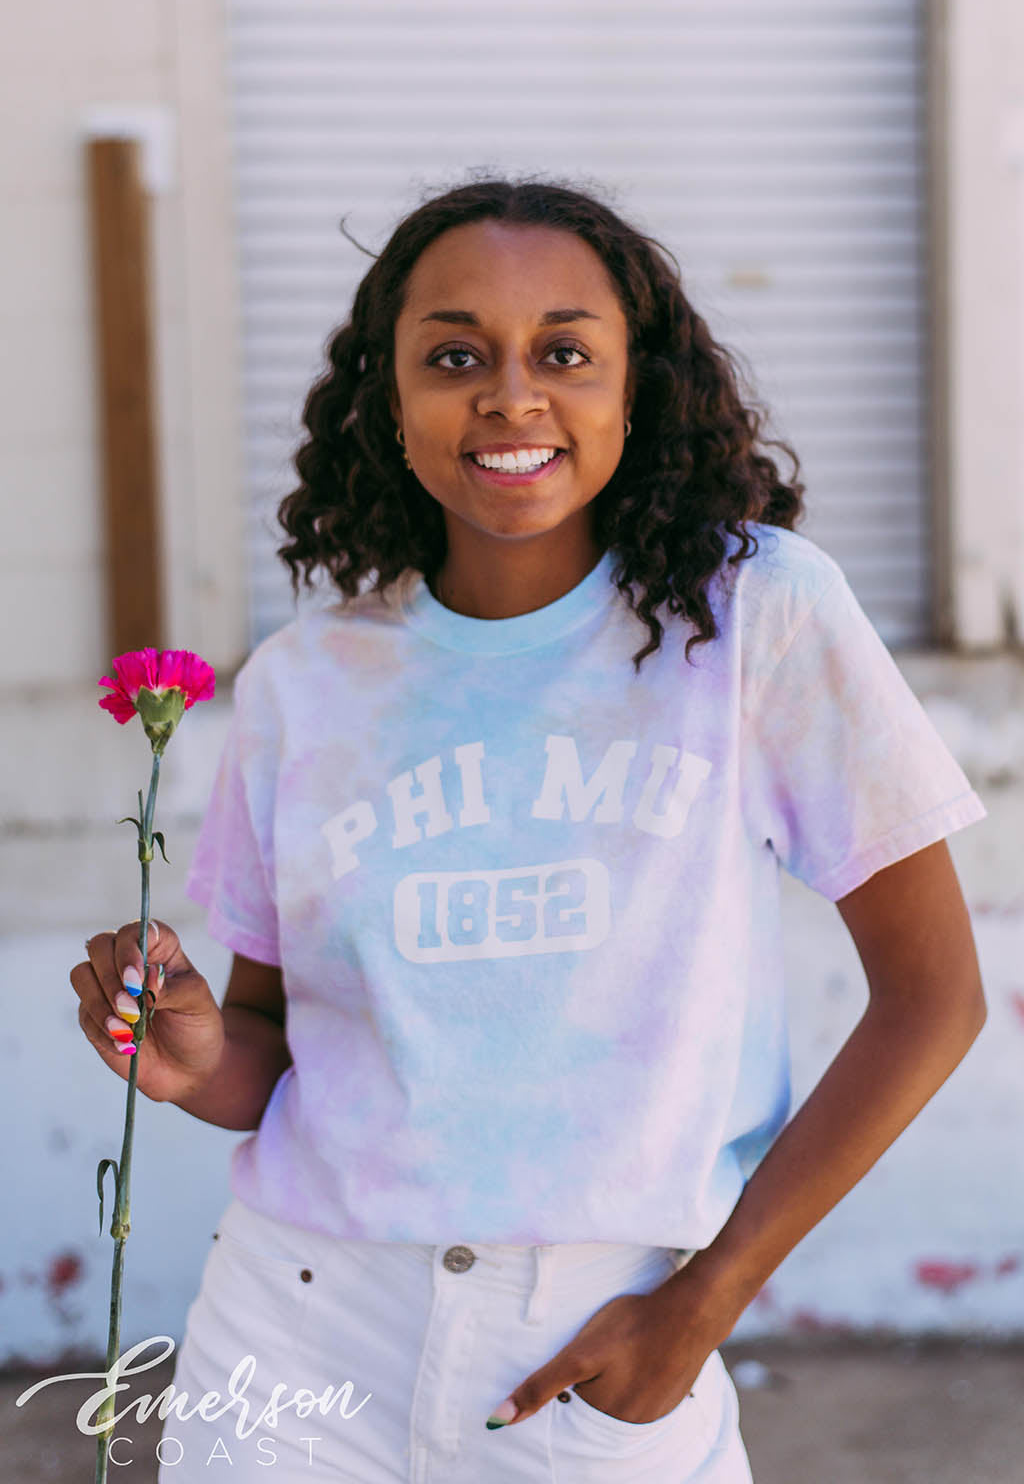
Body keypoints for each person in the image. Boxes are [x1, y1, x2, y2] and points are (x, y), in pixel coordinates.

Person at [72, 177, 988, 1483]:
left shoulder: (754, 618)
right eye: (455, 357)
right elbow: (269, 1051)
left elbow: (935, 998)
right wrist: (189, 1057)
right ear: (391, 401)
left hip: (596, 1335)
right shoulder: (306, 683)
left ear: (636, 389)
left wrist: (707, 1301)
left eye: (564, 353)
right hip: (295, 1329)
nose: (510, 396)